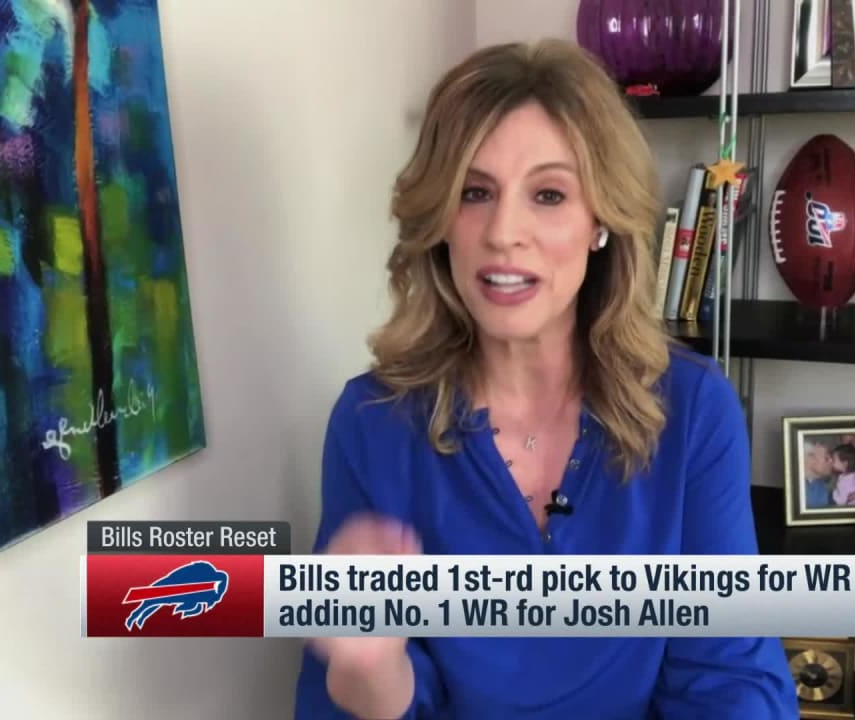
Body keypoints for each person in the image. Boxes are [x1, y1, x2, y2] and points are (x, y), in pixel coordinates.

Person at [293, 39, 797, 719]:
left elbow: (730, 677)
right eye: (475, 192)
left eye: (549, 194)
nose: (504, 232)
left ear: (601, 222)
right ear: (440, 221)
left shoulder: (693, 411)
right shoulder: (372, 421)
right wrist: (371, 665)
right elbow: (351, 698)